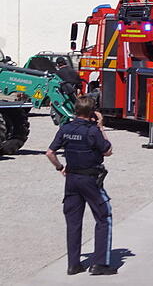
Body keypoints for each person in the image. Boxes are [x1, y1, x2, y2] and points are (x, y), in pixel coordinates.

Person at [45, 96, 116, 275]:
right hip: (90, 180)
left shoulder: (65, 128)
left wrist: (60, 167)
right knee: (103, 216)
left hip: (71, 180)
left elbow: (50, 153)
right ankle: (100, 264)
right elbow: (108, 151)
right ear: (91, 112)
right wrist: (100, 126)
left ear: (76, 110)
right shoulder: (92, 131)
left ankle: (73, 264)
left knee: (73, 222)